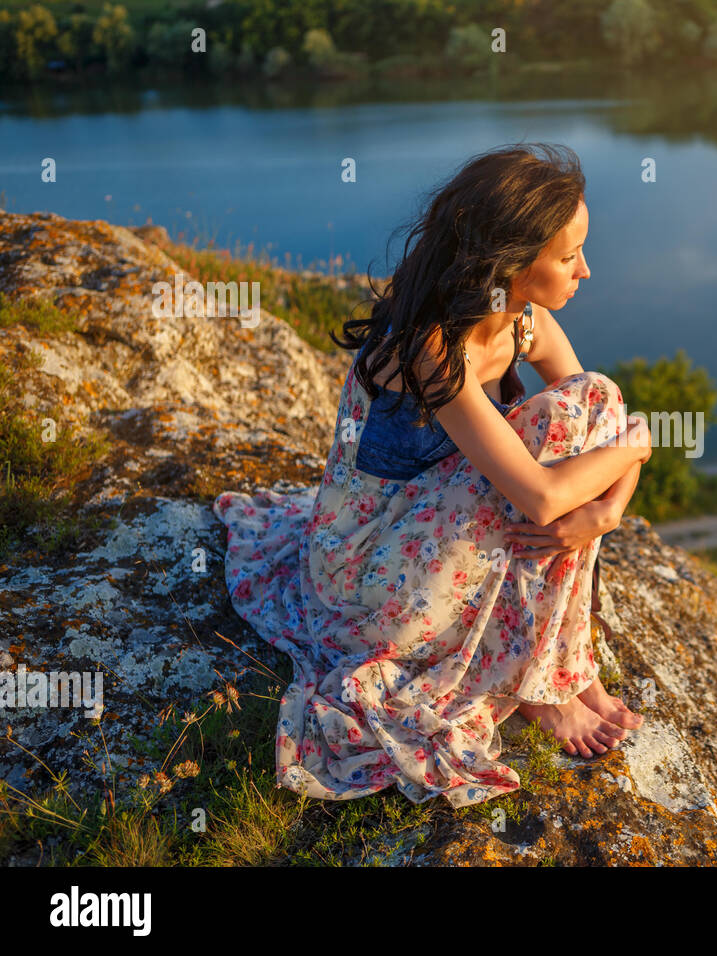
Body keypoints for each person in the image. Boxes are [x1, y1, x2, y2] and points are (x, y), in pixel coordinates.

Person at [213, 144, 650, 808]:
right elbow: (544, 493)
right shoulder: (431, 347)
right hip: (368, 584)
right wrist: (637, 450)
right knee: (562, 437)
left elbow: (605, 420)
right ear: (511, 263)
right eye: (569, 256)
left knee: (592, 398)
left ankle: (560, 667)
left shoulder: (523, 318)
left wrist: (608, 507)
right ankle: (544, 687)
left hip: (431, 538)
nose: (586, 270)